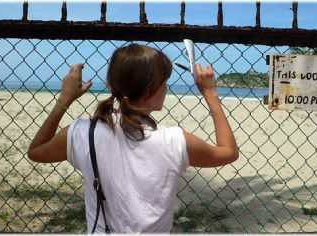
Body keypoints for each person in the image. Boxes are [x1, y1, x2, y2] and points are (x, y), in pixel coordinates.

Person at [28, 44, 238, 233]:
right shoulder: (174, 141)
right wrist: (210, 94)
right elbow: (228, 152)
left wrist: (65, 98)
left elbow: (36, 151)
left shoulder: (83, 133)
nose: (166, 87)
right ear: (150, 90)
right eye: (163, 82)